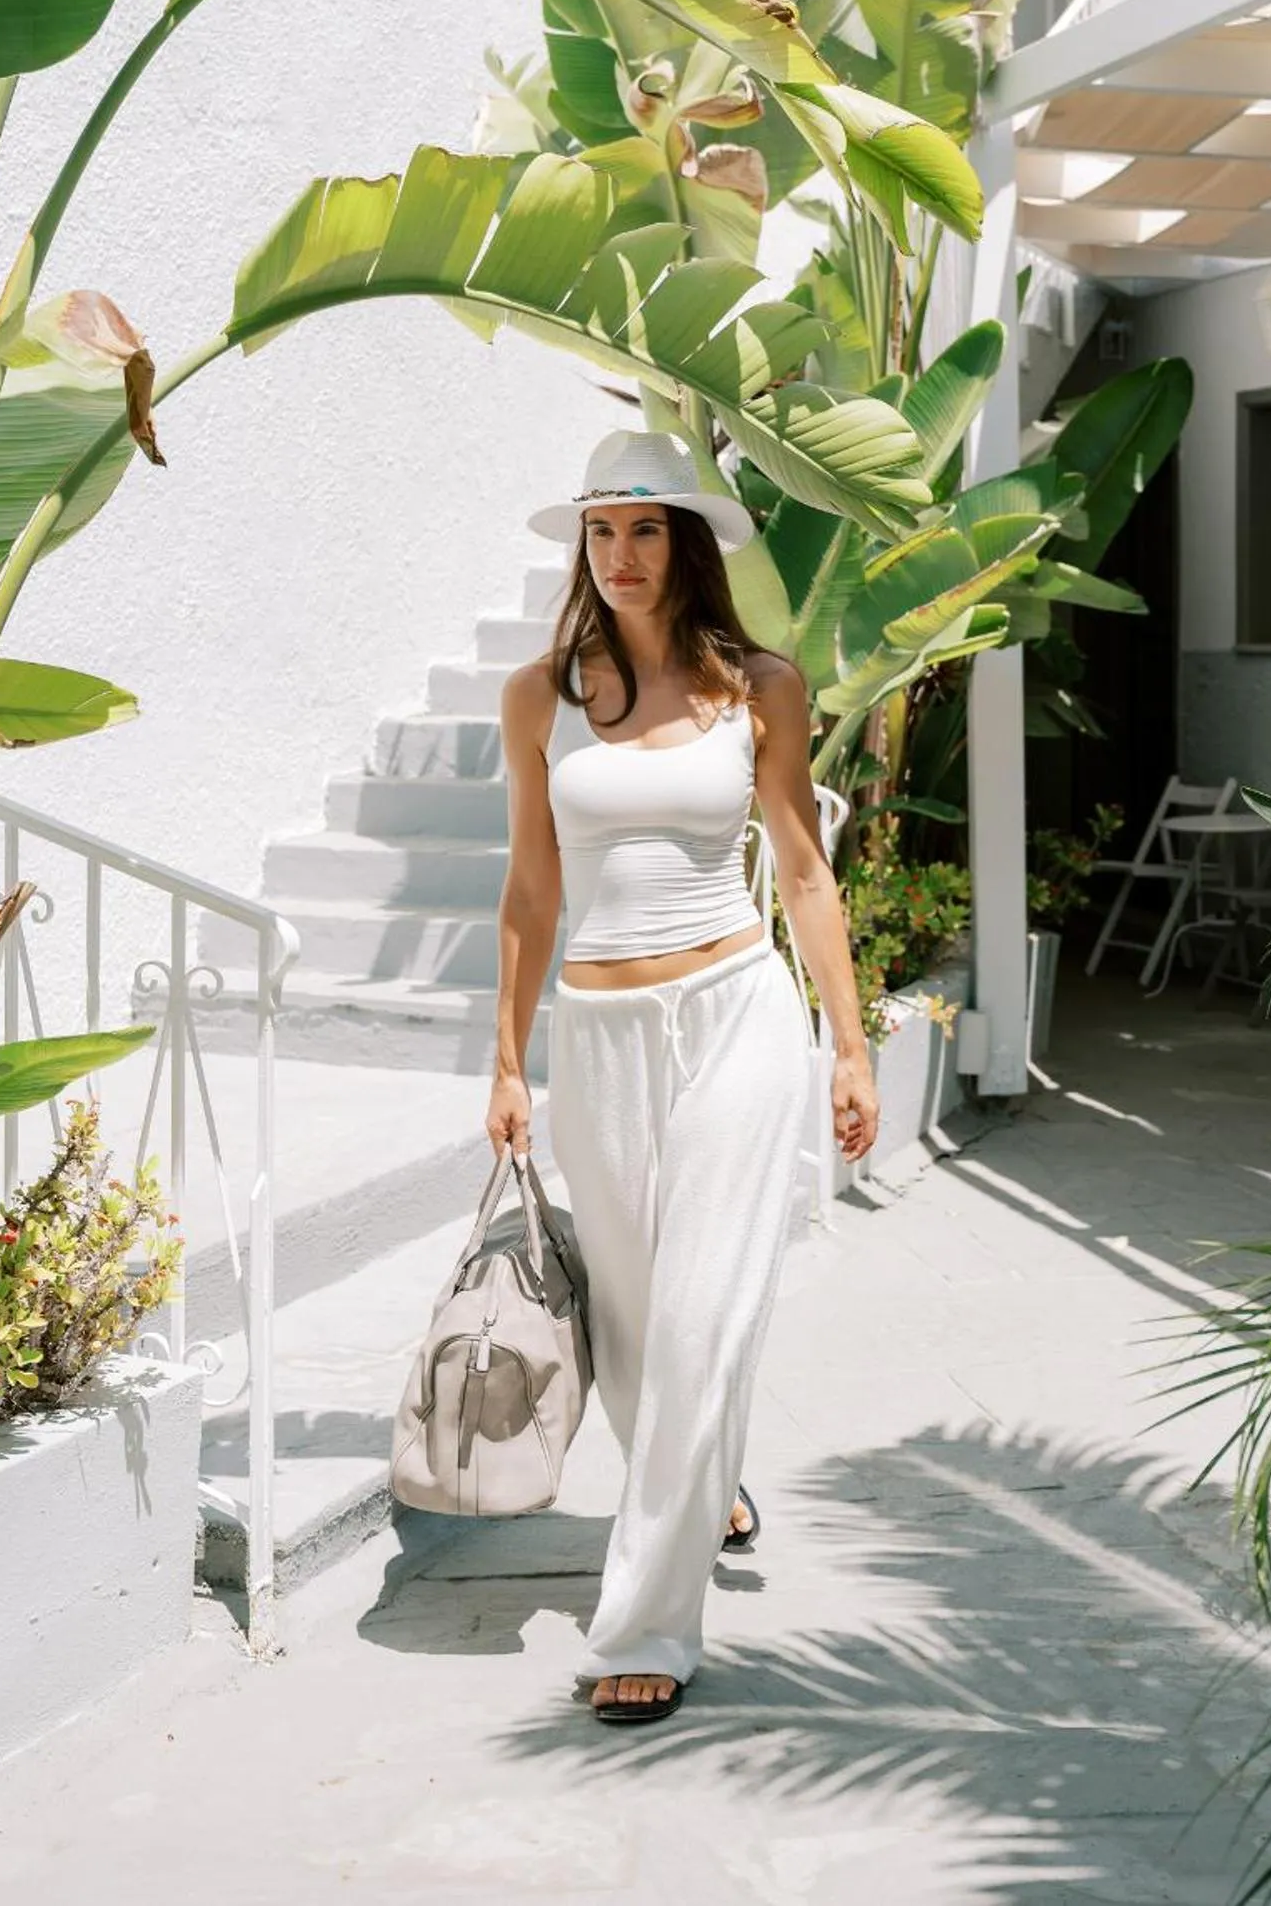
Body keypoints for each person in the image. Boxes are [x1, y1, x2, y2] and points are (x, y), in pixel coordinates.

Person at [487, 427, 880, 1727]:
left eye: (645, 529)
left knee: (704, 1310)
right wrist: (504, 1058)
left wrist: (850, 1042)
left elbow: (804, 870)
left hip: (734, 1018)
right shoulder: (538, 698)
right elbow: (531, 887)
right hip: (596, 1039)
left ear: (686, 543)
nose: (621, 556)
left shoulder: (758, 686)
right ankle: (700, 1480)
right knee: (633, 1324)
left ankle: (645, 1622)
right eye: (601, 532)